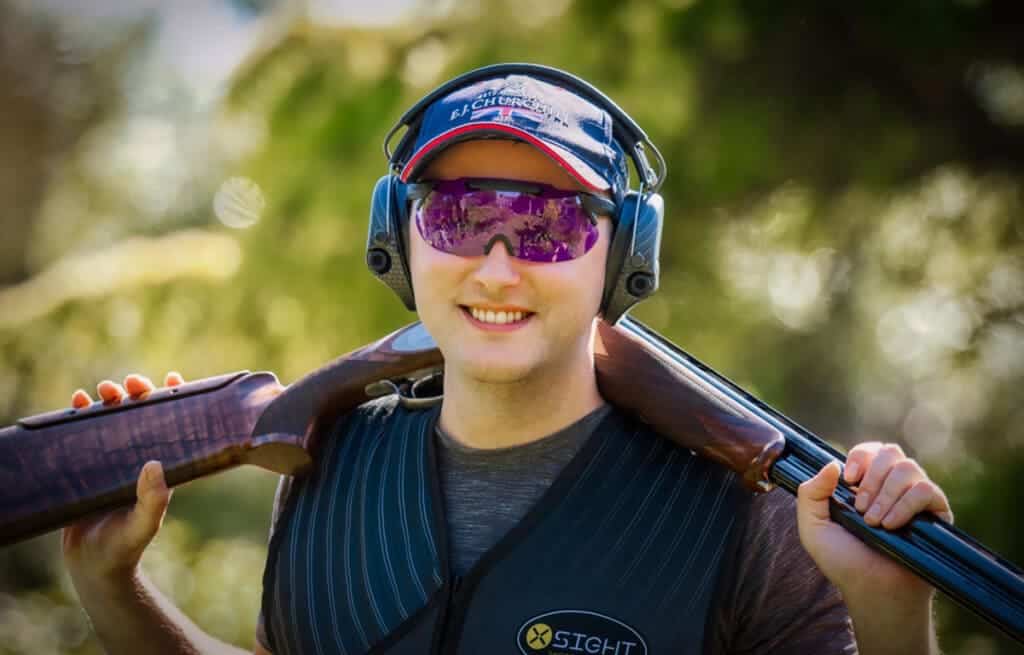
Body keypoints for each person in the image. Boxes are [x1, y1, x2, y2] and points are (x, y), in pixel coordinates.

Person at [64, 64, 953, 655]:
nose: (497, 264)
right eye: (456, 216)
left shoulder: (754, 511)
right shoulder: (328, 464)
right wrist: (116, 586)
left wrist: (892, 613)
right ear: (398, 238)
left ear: (626, 252)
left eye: (549, 224)